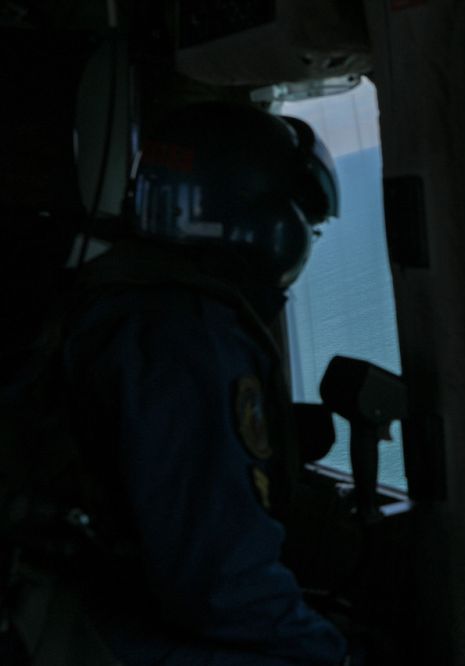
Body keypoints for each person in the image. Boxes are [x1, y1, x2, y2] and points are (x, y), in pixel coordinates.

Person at [54, 102, 348, 664]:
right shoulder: (188, 338)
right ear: (271, 227)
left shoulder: (116, 297)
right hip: (86, 621)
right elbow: (221, 583)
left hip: (68, 596)